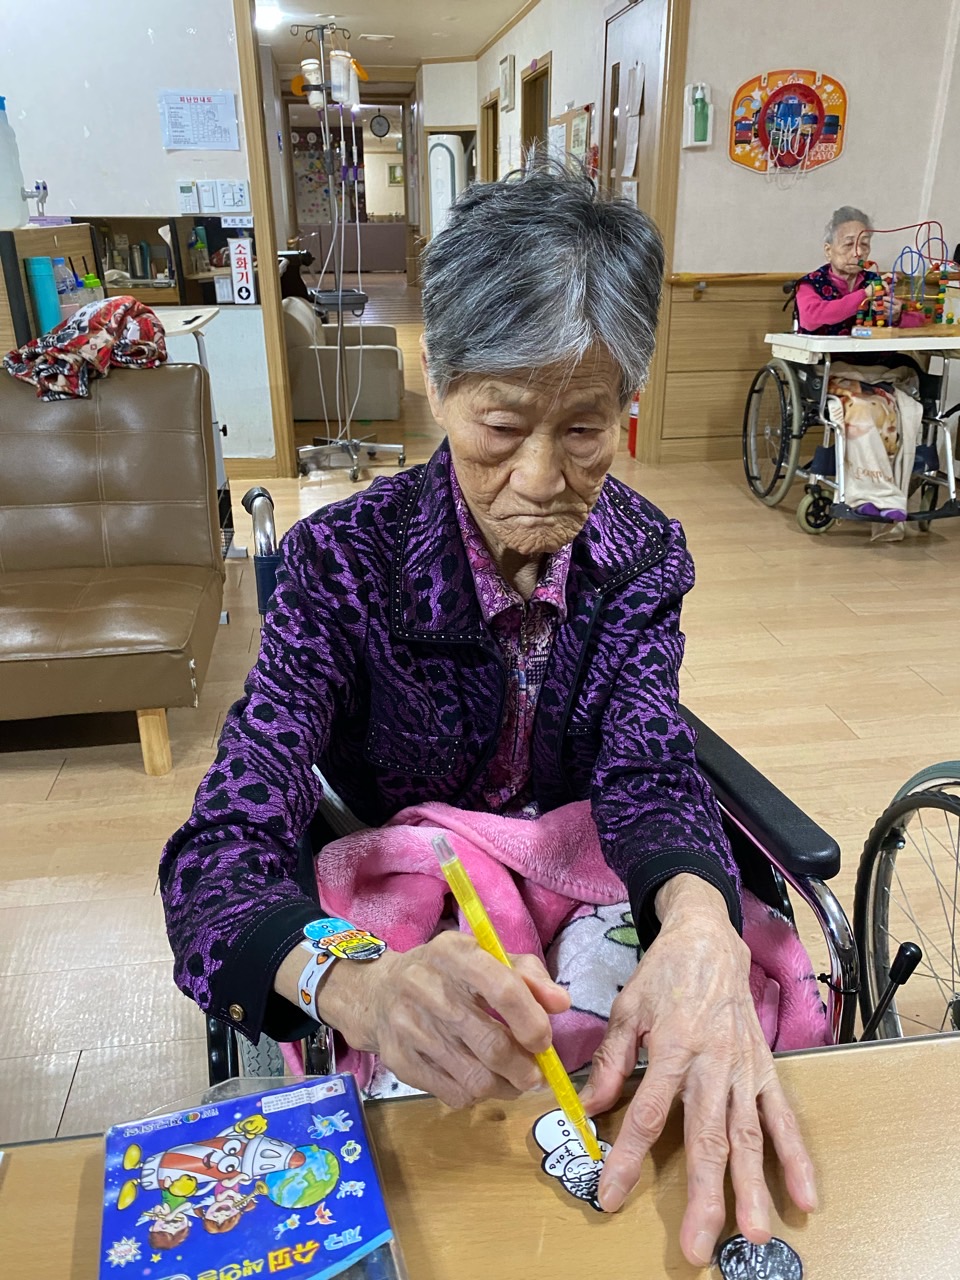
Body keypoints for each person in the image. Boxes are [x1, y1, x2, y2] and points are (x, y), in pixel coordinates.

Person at [161, 161, 816, 1269]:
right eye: (503, 425)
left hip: (581, 888)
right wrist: (356, 981)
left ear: (628, 405)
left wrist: (701, 922)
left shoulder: (641, 555)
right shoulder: (342, 564)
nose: (543, 478)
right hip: (419, 917)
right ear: (437, 383)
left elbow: (648, 762)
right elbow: (218, 854)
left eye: (587, 429)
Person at [796, 206, 925, 525]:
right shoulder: (811, 284)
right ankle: (870, 496)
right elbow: (813, 318)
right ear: (829, 249)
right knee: (865, 409)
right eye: (849, 244)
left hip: (879, 374)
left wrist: (899, 314)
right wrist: (863, 296)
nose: (858, 252)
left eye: (864, 244)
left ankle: (886, 493)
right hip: (833, 373)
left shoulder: (878, 284)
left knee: (905, 411)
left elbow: (916, 321)